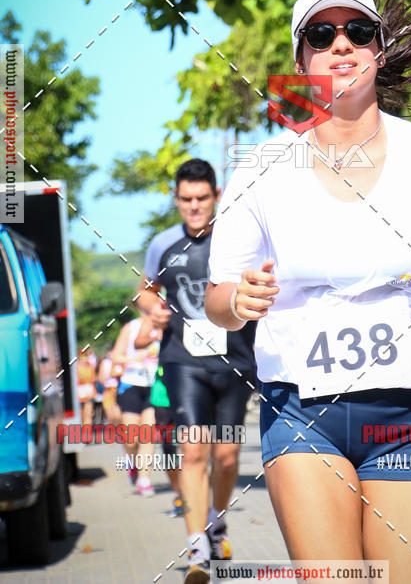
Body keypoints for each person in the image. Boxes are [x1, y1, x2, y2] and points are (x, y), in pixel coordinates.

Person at [206, 0, 411, 582]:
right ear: (301, 62)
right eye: (321, 35)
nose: (341, 44)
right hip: (302, 411)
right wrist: (238, 301)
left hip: (407, 410)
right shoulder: (261, 167)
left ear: (379, 47)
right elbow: (217, 301)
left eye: (358, 32)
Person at [137, 159, 257, 584]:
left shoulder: (236, 240)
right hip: (182, 361)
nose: (194, 207)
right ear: (176, 199)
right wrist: (150, 307)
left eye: (202, 198)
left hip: (235, 362)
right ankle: (196, 548)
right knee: (193, 451)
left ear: (216, 196)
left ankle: (217, 524)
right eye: (186, 199)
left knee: (225, 457)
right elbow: (145, 289)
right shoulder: (162, 245)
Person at [134, 315, 183, 517]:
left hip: (192, 387)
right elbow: (139, 341)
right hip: (163, 392)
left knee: (195, 443)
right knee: (168, 447)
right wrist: (158, 331)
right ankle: (180, 494)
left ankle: (198, 495)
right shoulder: (160, 308)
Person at [112, 313, 160, 496]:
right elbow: (116, 356)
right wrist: (133, 359)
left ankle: (144, 480)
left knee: (147, 435)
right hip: (131, 384)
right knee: (132, 438)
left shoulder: (163, 327)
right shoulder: (130, 328)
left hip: (154, 385)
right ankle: (131, 461)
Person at [77, 349, 97, 428]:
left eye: (85, 356)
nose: (84, 358)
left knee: (87, 416)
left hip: (87, 392)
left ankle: (86, 435)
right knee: (83, 416)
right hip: (81, 393)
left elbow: (93, 378)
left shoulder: (89, 365)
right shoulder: (78, 366)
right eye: (82, 356)